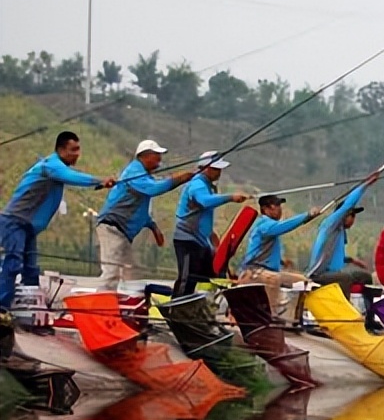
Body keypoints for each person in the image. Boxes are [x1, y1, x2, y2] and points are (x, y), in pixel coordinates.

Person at [0, 131, 116, 309]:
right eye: (73, 149)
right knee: (13, 264)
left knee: (30, 269)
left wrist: (99, 184)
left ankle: (29, 311)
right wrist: (99, 179)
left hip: (28, 226)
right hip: (15, 221)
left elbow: (71, 176)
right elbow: (73, 177)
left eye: (78, 149)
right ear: (61, 150)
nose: (77, 153)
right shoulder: (51, 166)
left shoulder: (57, 168)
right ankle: (2, 307)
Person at [96, 139, 195, 291]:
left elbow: (140, 210)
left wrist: (153, 227)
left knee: (131, 273)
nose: (160, 159)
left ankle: (122, 304)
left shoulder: (143, 176)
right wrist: (178, 179)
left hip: (122, 231)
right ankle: (99, 308)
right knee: (111, 271)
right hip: (113, 227)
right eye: (157, 155)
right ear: (146, 156)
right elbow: (153, 189)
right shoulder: (135, 172)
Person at [171, 152, 249, 298]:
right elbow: (205, 201)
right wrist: (231, 197)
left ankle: (205, 304)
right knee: (187, 278)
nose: (219, 172)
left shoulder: (207, 186)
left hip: (201, 240)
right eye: (215, 169)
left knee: (214, 273)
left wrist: (213, 238)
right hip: (187, 239)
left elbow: (202, 218)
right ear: (205, 168)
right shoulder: (197, 184)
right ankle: (176, 309)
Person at [237, 194, 322, 315]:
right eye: (275, 206)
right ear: (265, 209)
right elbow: (283, 227)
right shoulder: (264, 225)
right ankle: (270, 315)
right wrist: (307, 215)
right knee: (273, 279)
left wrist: (282, 261)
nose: (279, 209)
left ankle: (294, 318)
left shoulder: (270, 227)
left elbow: (265, 251)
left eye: (278, 205)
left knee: (304, 282)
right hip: (253, 272)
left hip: (268, 271)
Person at [307, 178, 376, 298]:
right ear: (342, 215)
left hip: (334, 272)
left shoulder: (340, 232)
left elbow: (336, 255)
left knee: (365, 277)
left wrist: (353, 261)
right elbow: (348, 204)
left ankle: (367, 311)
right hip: (320, 274)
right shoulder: (330, 225)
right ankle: (343, 308)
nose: (353, 220)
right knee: (345, 278)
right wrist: (365, 185)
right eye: (352, 215)